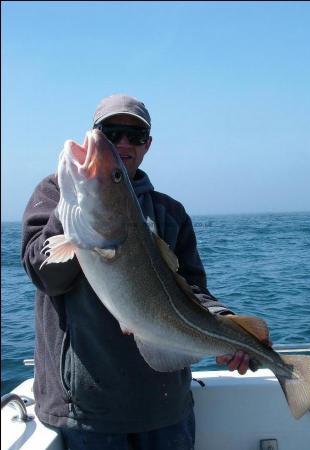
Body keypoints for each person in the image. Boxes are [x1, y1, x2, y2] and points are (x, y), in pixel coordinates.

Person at [21, 94, 257, 450]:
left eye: (136, 135)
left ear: (148, 144)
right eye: (111, 132)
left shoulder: (170, 212)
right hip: (86, 415)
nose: (123, 144)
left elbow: (193, 293)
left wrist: (229, 328)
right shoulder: (54, 196)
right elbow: (44, 275)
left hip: (166, 411)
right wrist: (73, 214)